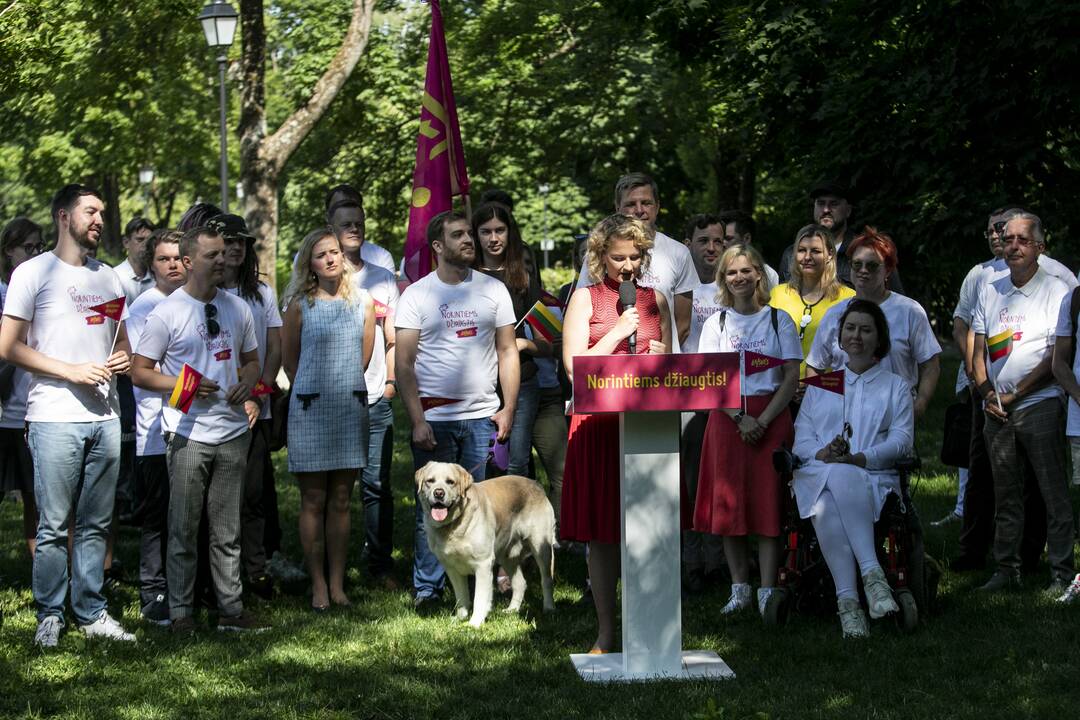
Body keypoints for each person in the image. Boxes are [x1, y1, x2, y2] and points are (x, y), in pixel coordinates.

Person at [0, 184, 135, 647]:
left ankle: (91, 610)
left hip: (106, 417)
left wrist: (121, 359)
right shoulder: (32, 274)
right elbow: (8, 347)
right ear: (63, 216)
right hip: (54, 417)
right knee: (55, 525)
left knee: (98, 521)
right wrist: (71, 371)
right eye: (90, 211)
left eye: (101, 212)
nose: (99, 219)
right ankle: (50, 615)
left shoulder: (110, 278)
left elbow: (119, 342)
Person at [131, 225, 266, 633]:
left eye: (224, 254)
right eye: (213, 256)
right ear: (189, 262)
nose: (223, 261)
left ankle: (230, 609)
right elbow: (139, 373)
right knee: (183, 528)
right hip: (186, 433)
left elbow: (252, 360)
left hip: (231, 432)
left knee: (227, 529)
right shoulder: (166, 312)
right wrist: (183, 384)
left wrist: (248, 382)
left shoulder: (237, 308)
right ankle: (181, 613)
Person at [395, 211, 519, 611]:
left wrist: (508, 409)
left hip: (483, 417)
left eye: (470, 233)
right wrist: (417, 420)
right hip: (435, 422)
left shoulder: (493, 290)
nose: (470, 239)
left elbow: (507, 352)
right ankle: (428, 590)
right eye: (459, 234)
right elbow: (404, 364)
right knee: (429, 510)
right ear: (437, 246)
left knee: (477, 509)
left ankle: (474, 584)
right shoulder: (416, 295)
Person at [561, 214, 672, 653]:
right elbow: (574, 367)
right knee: (603, 534)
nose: (627, 266)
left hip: (647, 428)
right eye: (617, 257)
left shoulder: (655, 300)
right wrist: (618, 333)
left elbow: (674, 374)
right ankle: (607, 632)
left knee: (648, 528)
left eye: (635, 257)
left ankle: (652, 628)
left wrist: (661, 357)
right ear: (600, 256)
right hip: (597, 428)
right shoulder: (585, 299)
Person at [950, 206, 1076, 567]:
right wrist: (988, 392)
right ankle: (1007, 569)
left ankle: (1061, 570)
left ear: (1040, 246)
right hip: (996, 408)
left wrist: (1014, 393)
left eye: (1023, 240)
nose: (1013, 246)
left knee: (1051, 493)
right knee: (1003, 494)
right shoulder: (991, 290)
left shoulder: (1057, 290)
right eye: (1008, 240)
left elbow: (1056, 355)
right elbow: (977, 346)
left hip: (1040, 403)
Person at [792, 299, 911, 638]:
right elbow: (801, 441)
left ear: (879, 339)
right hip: (819, 473)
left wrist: (863, 457)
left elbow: (903, 441)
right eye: (850, 328)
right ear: (840, 337)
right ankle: (872, 578)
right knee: (834, 479)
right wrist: (822, 451)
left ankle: (848, 605)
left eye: (866, 329)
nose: (857, 335)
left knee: (829, 497)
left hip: (874, 478)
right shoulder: (822, 386)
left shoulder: (895, 387)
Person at [695, 244, 800, 616]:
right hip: (728, 422)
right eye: (730, 273)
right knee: (730, 507)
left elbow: (791, 378)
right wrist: (741, 419)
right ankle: (740, 588)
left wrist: (763, 420)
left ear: (759, 273)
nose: (739, 278)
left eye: (745, 270)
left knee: (770, 507)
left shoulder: (779, 321)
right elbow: (706, 382)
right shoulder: (715, 324)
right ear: (723, 279)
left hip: (771, 418)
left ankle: (768, 589)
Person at [282, 228, 375, 610]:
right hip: (309, 409)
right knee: (313, 499)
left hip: (348, 408)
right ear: (310, 264)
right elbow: (290, 362)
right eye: (322, 255)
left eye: (335, 252)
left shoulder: (363, 302)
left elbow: (364, 356)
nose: (331, 259)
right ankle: (317, 584)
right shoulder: (299, 305)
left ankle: (338, 585)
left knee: (341, 499)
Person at [207, 213, 281, 601]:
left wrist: (258, 392)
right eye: (227, 241)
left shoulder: (261, 294)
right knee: (218, 498)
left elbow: (274, 348)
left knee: (253, 495)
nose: (235, 248)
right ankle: (219, 576)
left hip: (255, 409)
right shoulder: (203, 293)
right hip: (212, 411)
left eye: (241, 242)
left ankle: (256, 570)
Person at [331, 203, 402, 588]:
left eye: (358, 223)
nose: (354, 229)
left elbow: (393, 335)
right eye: (346, 225)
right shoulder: (322, 276)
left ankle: (379, 564)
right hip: (333, 402)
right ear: (332, 229)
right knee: (335, 488)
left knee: (377, 486)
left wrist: (390, 383)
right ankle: (332, 568)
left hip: (375, 397)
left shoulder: (381, 278)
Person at [806, 227, 940, 418]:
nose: (862, 271)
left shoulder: (909, 311)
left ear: (888, 270)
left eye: (872, 266)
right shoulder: (835, 313)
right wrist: (820, 406)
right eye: (857, 264)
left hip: (894, 415)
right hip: (842, 415)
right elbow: (815, 366)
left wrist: (921, 404)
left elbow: (930, 364)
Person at [126, 228, 187, 625]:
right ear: (152, 265)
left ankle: (186, 588)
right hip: (153, 428)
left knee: (186, 514)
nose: (174, 265)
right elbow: (145, 369)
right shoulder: (144, 307)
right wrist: (190, 385)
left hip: (194, 426)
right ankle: (153, 592)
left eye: (180, 258)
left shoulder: (198, 303)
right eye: (165, 259)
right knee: (157, 516)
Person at [471, 201, 549, 476]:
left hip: (522, 382)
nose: (493, 238)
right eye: (485, 231)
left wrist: (522, 344)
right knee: (483, 466)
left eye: (500, 230)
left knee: (515, 463)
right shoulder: (465, 278)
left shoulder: (524, 280)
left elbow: (549, 344)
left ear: (510, 233)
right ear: (475, 235)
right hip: (477, 386)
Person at [576, 174, 696, 347]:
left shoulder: (679, 253)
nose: (639, 210)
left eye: (646, 203)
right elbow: (583, 314)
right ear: (617, 207)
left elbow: (682, 326)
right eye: (631, 204)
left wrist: (658, 356)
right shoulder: (598, 254)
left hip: (659, 366)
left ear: (657, 206)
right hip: (610, 368)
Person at [679, 213, 727, 591]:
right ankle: (689, 561)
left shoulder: (734, 285)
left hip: (723, 397)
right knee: (686, 482)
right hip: (681, 395)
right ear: (688, 243)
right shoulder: (681, 286)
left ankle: (717, 562)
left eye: (718, 241)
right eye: (703, 241)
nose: (711, 248)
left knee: (716, 481)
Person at [0, 217, 44, 559]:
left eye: (38, 247)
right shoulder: (2, 292)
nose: (33, 254)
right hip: (4, 411)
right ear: (8, 251)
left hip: (33, 411)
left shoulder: (43, 289)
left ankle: (37, 565)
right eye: (26, 248)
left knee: (35, 496)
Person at [778, 182, 904, 293]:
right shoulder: (791, 254)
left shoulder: (868, 252)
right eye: (821, 203)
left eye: (834, 204)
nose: (826, 209)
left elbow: (894, 301)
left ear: (848, 210)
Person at [769, 224, 855, 379]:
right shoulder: (777, 294)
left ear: (830, 254)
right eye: (801, 250)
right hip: (781, 389)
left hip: (828, 390)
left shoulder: (849, 299)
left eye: (815, 251)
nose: (807, 257)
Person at [325, 185, 396, 274]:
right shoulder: (309, 258)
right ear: (327, 217)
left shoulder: (381, 257)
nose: (354, 229)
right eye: (338, 206)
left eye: (352, 205)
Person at [717, 209, 779, 289]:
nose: (723, 244)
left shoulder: (769, 274)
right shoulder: (709, 273)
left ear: (746, 239)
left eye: (728, 239)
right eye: (720, 240)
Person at [115, 217, 156, 302]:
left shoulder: (158, 278)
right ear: (126, 242)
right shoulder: (115, 277)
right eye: (140, 240)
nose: (145, 245)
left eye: (149, 240)